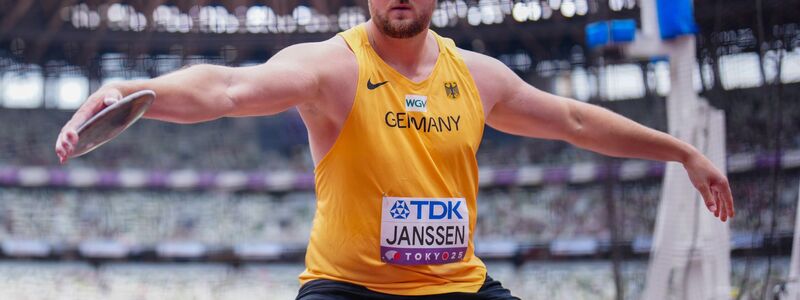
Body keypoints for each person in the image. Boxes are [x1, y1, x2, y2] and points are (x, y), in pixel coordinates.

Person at [55, 0, 735, 299]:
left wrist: (682, 152)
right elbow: (229, 87)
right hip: (347, 291)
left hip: (456, 287)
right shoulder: (332, 68)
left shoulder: (477, 77)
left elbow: (575, 122)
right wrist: (137, 89)